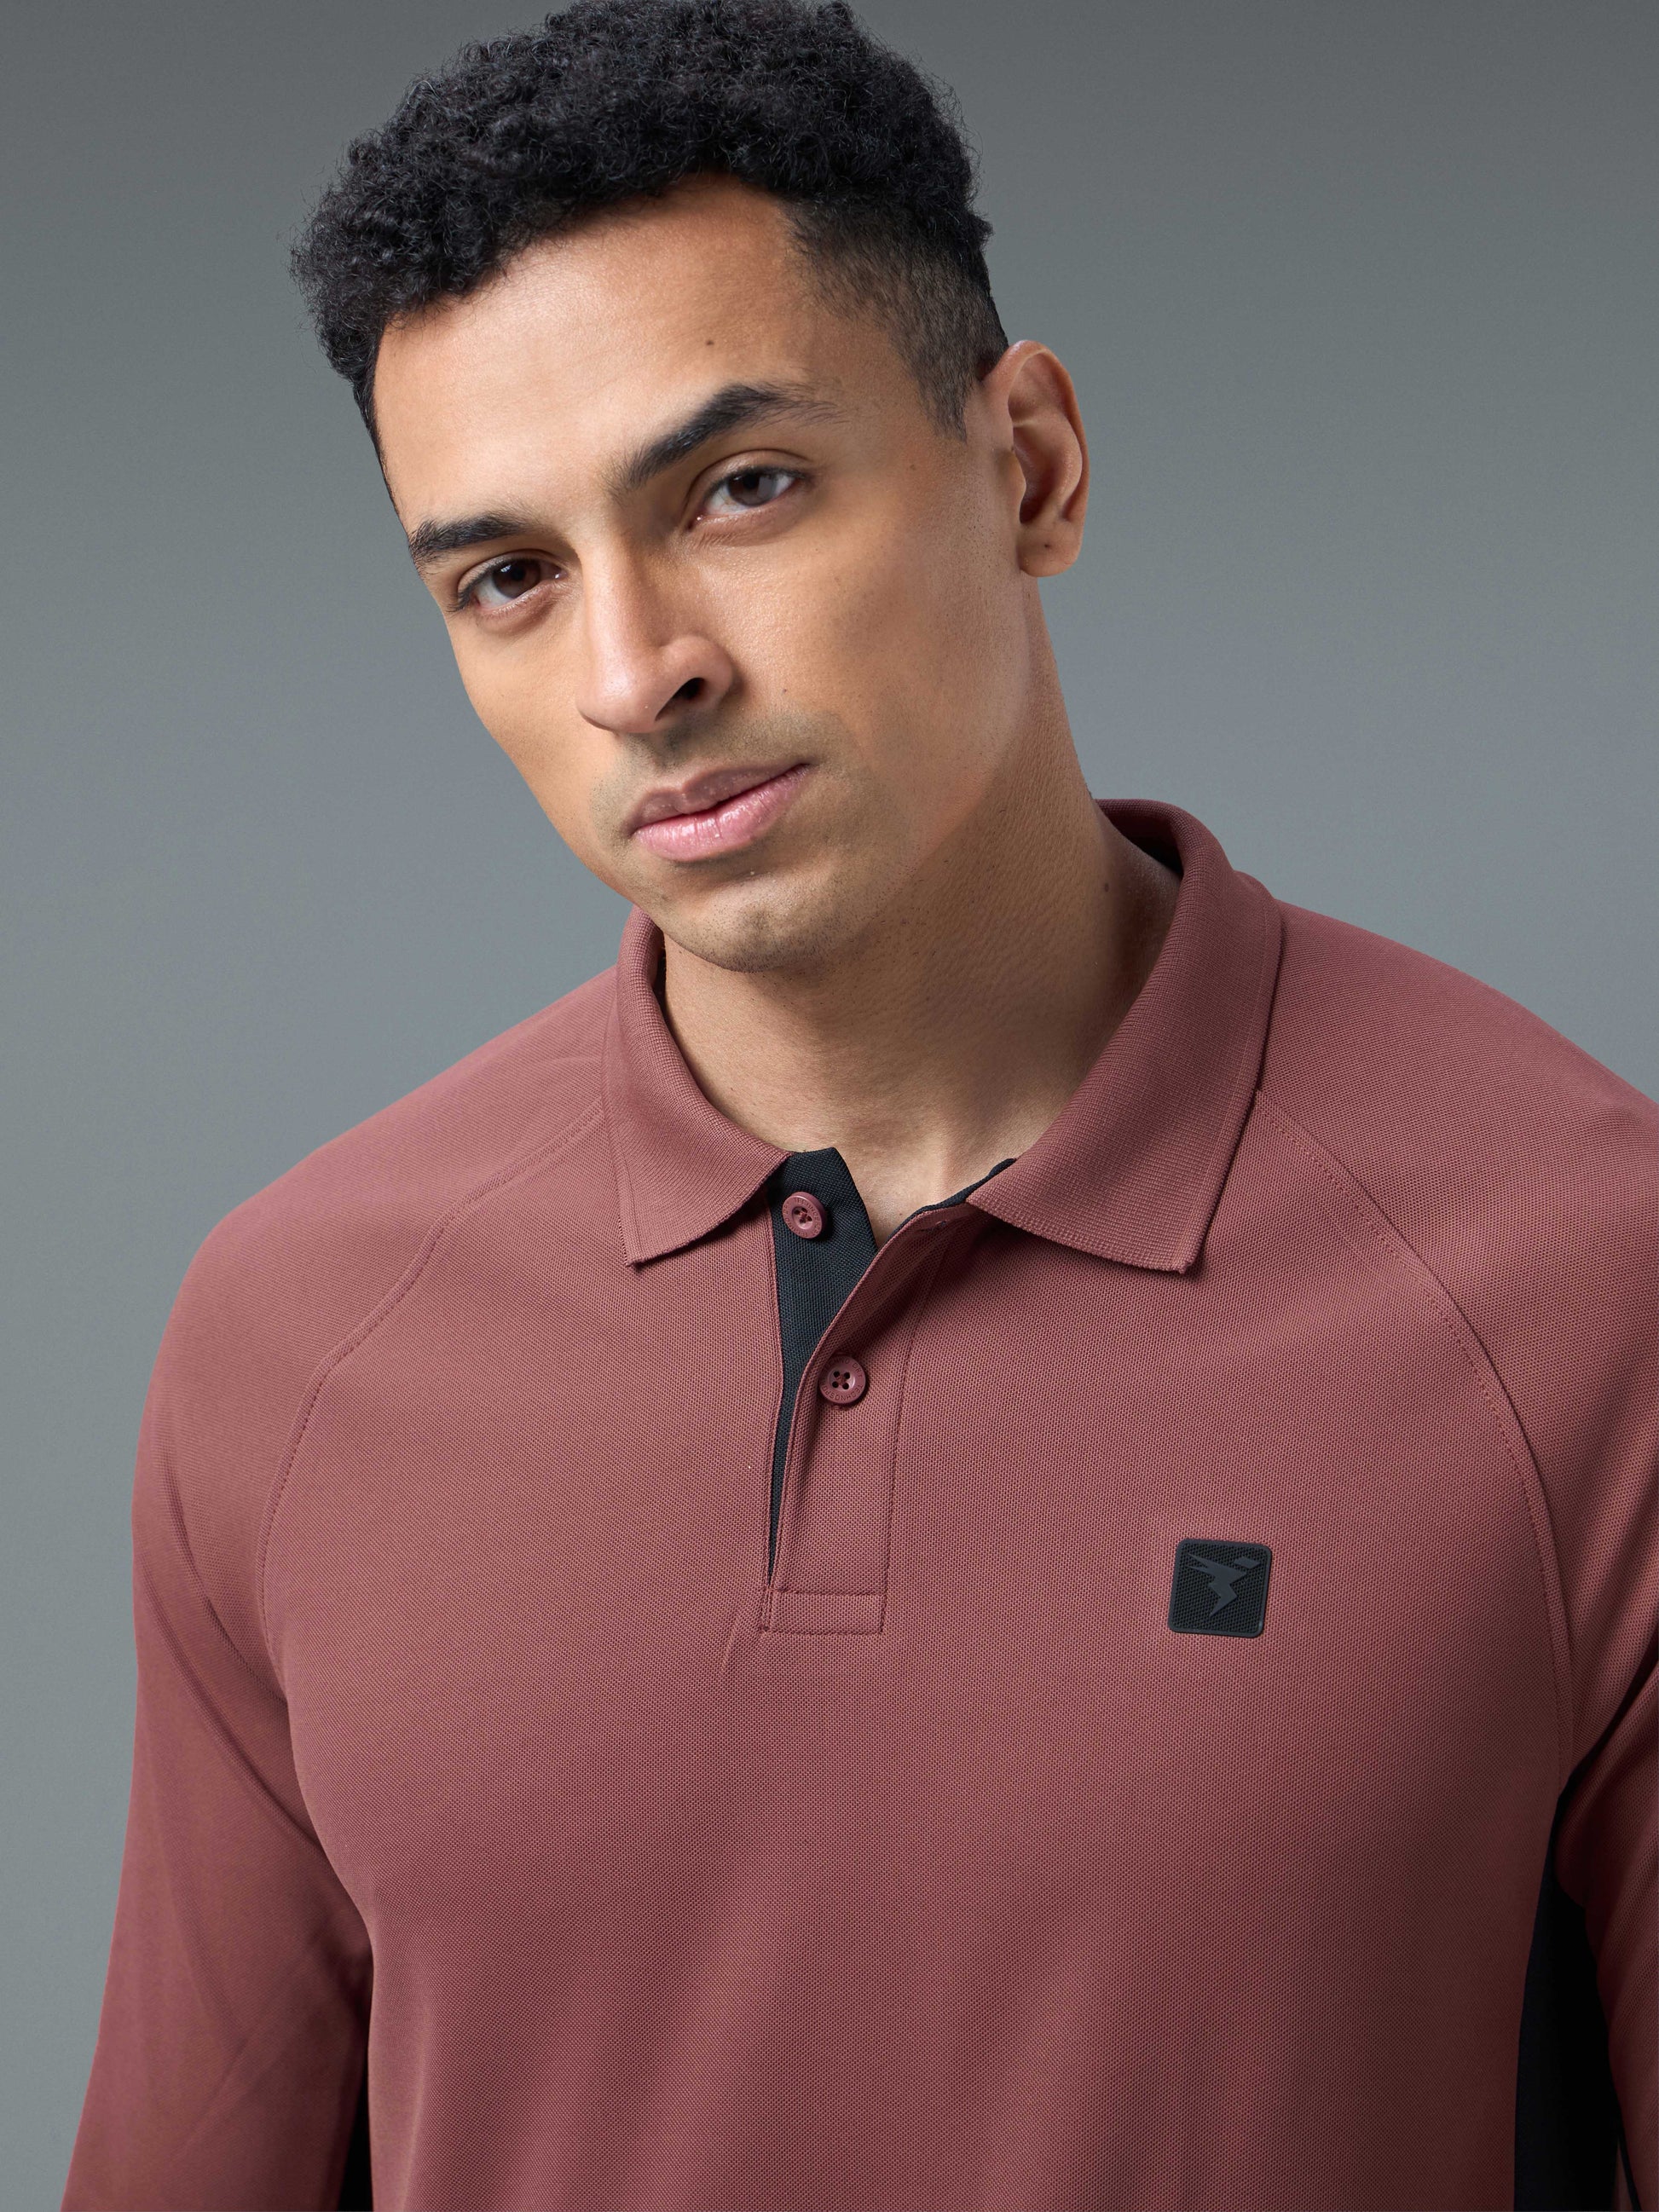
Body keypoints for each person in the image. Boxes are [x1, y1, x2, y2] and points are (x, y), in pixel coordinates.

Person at [61, 3, 1654, 2207]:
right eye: (509, 577)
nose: (637, 671)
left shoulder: (1584, 1280)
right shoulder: (298, 1335)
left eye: (740, 490)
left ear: (1031, 467)